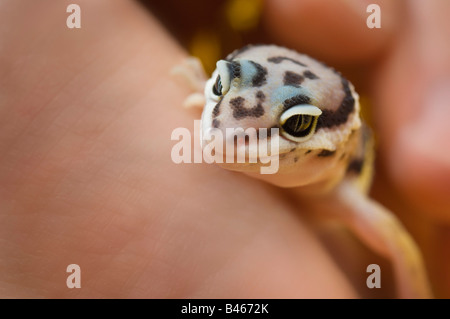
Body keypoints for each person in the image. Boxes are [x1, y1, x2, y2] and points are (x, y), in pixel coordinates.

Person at [0, 0, 448, 298]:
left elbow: (403, 256)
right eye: (219, 87)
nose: (224, 135)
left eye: (294, 127)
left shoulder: (355, 208)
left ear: (338, 142)